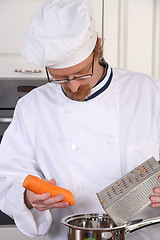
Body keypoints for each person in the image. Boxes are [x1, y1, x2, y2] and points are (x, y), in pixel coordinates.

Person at [0, 0, 160, 239]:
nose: (73, 86)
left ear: (98, 47)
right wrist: (26, 198)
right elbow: (7, 177)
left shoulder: (148, 92)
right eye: (60, 78)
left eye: (81, 73)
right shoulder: (32, 107)